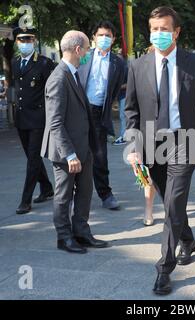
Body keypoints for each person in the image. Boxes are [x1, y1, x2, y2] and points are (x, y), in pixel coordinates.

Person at [125, 6, 195, 295]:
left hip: (186, 140)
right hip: (152, 143)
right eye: (154, 29)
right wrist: (133, 146)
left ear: (176, 32)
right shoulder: (138, 65)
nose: (158, 34)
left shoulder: (194, 63)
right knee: (170, 202)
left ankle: (164, 267)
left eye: (164, 29)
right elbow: (131, 110)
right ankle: (187, 240)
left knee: (175, 200)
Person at [41, 30, 108, 254]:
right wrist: (69, 154)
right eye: (88, 48)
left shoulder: (74, 73)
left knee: (85, 191)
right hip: (66, 152)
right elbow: (55, 123)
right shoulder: (58, 78)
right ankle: (64, 236)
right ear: (78, 50)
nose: (89, 53)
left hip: (83, 147)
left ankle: (81, 231)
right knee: (64, 195)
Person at [78, 20, 126, 210]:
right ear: (93, 38)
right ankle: (77, 194)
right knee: (77, 153)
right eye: (101, 35)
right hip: (80, 111)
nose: (104, 39)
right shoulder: (83, 57)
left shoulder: (118, 63)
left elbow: (118, 90)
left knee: (99, 156)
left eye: (108, 35)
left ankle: (105, 194)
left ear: (113, 39)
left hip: (99, 113)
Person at [11, 27, 54, 215]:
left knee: (33, 159)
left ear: (34, 42)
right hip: (21, 118)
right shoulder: (15, 62)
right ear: (16, 42)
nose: (25, 43)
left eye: (28, 40)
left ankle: (25, 200)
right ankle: (46, 188)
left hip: (38, 118)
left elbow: (52, 91)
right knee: (31, 157)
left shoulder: (44, 63)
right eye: (21, 40)